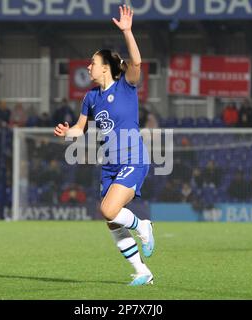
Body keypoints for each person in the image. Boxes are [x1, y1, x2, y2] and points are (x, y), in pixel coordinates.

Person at [53, 5, 154, 286]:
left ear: (106, 68)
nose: (88, 67)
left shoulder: (125, 86)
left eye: (92, 63)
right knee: (111, 220)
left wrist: (127, 32)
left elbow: (136, 63)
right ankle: (142, 272)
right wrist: (67, 133)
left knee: (108, 210)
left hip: (133, 157)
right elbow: (79, 129)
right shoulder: (90, 98)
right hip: (109, 163)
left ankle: (143, 226)